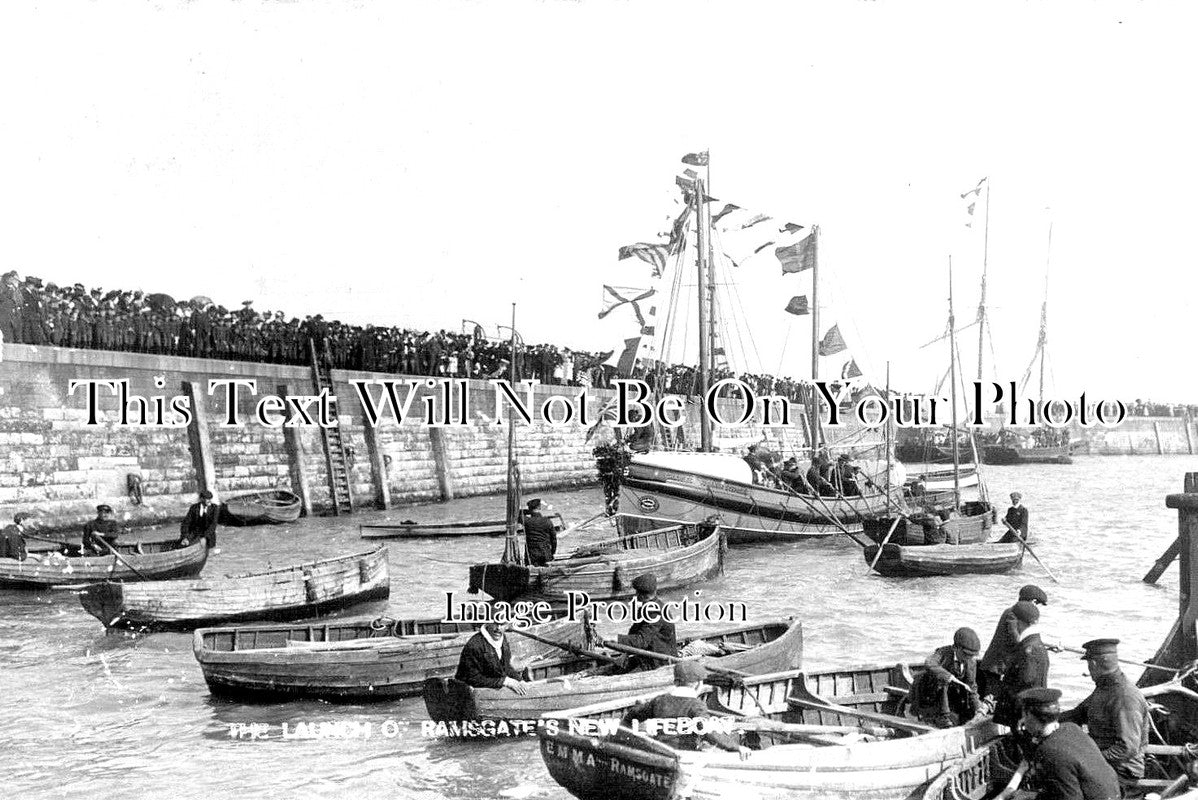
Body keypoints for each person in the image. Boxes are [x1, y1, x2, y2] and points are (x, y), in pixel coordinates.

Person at [994, 688, 1120, 800]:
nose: (1023, 722)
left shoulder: (1050, 753)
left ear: (1031, 716)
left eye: (1024, 716)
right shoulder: (1071, 728)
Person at [1061, 639, 1150, 789]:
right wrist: (1044, 718)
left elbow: (1127, 748)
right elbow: (1077, 714)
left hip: (1121, 772)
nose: (1089, 672)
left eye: (1089, 665)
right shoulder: (1105, 688)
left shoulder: (1125, 696)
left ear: (1093, 664)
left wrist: (1088, 759)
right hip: (1104, 762)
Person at [620, 661, 750, 758]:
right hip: (686, 755)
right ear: (699, 684)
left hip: (661, 752)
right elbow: (709, 732)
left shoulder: (659, 700)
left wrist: (626, 726)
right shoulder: (696, 705)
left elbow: (633, 714)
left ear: (676, 682)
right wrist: (736, 747)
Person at [979, 584, 1050, 698]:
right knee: (992, 700)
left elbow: (1024, 641)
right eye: (1038, 605)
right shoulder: (1013, 614)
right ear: (1033, 602)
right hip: (995, 667)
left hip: (998, 666)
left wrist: (1046, 647)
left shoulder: (1013, 611)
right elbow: (1017, 640)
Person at [993, 601, 1050, 728]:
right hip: (1033, 712)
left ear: (1019, 622)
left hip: (1023, 716)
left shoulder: (1027, 650)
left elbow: (1026, 685)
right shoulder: (1037, 645)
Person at [910, 627, 982, 728]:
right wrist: (948, 676)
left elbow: (971, 688)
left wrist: (978, 708)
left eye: (971, 656)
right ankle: (942, 717)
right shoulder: (943, 653)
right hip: (930, 696)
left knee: (967, 713)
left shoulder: (971, 662)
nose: (968, 658)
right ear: (955, 648)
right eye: (966, 654)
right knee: (943, 679)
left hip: (950, 698)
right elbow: (929, 663)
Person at [615, 573, 678, 672]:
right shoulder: (647, 607)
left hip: (660, 662)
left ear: (641, 595)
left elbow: (641, 641)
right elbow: (634, 632)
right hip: (646, 657)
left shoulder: (654, 611)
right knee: (617, 669)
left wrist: (616, 639)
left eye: (637, 593)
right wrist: (625, 654)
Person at [453, 621, 529, 695]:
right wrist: (505, 682)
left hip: (489, 689)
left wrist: (519, 680)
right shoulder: (474, 645)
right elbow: (472, 679)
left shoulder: (502, 639)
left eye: (502, 624)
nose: (498, 628)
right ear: (488, 623)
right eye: (495, 624)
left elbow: (506, 667)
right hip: (466, 694)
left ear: (507, 625)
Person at [523, 498, 557, 567]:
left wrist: (528, 511)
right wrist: (552, 553)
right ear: (539, 507)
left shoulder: (527, 521)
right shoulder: (547, 521)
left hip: (532, 556)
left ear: (529, 509)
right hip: (546, 554)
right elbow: (554, 540)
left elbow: (517, 514)